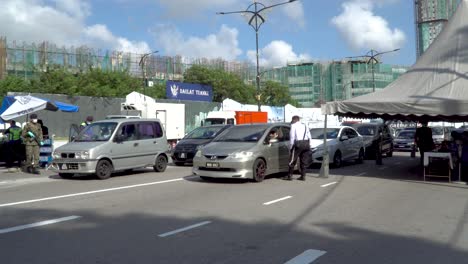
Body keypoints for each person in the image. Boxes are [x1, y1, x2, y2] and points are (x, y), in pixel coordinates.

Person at [285, 115, 312, 181]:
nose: (292, 122)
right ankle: (303, 176)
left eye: (292, 120)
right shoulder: (305, 125)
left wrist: (291, 147)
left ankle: (290, 175)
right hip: (306, 144)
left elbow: (292, 137)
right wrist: (310, 144)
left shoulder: (293, 126)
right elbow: (309, 136)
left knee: (292, 160)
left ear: (294, 120)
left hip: (298, 144)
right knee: (303, 160)